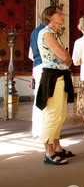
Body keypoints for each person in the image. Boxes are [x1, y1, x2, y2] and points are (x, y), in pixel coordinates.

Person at [36, 6, 74, 165]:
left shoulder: (54, 34)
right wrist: (65, 57)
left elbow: (68, 59)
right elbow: (64, 56)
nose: (62, 15)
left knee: (60, 115)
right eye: (59, 13)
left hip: (60, 75)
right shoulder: (46, 33)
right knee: (53, 115)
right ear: (50, 17)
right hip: (52, 77)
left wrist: (66, 58)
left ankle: (57, 147)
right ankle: (48, 152)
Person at [28, 11, 46, 139]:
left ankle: (37, 130)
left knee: (38, 99)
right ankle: (46, 131)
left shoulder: (34, 32)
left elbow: (30, 55)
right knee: (46, 99)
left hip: (37, 66)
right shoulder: (46, 32)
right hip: (46, 67)